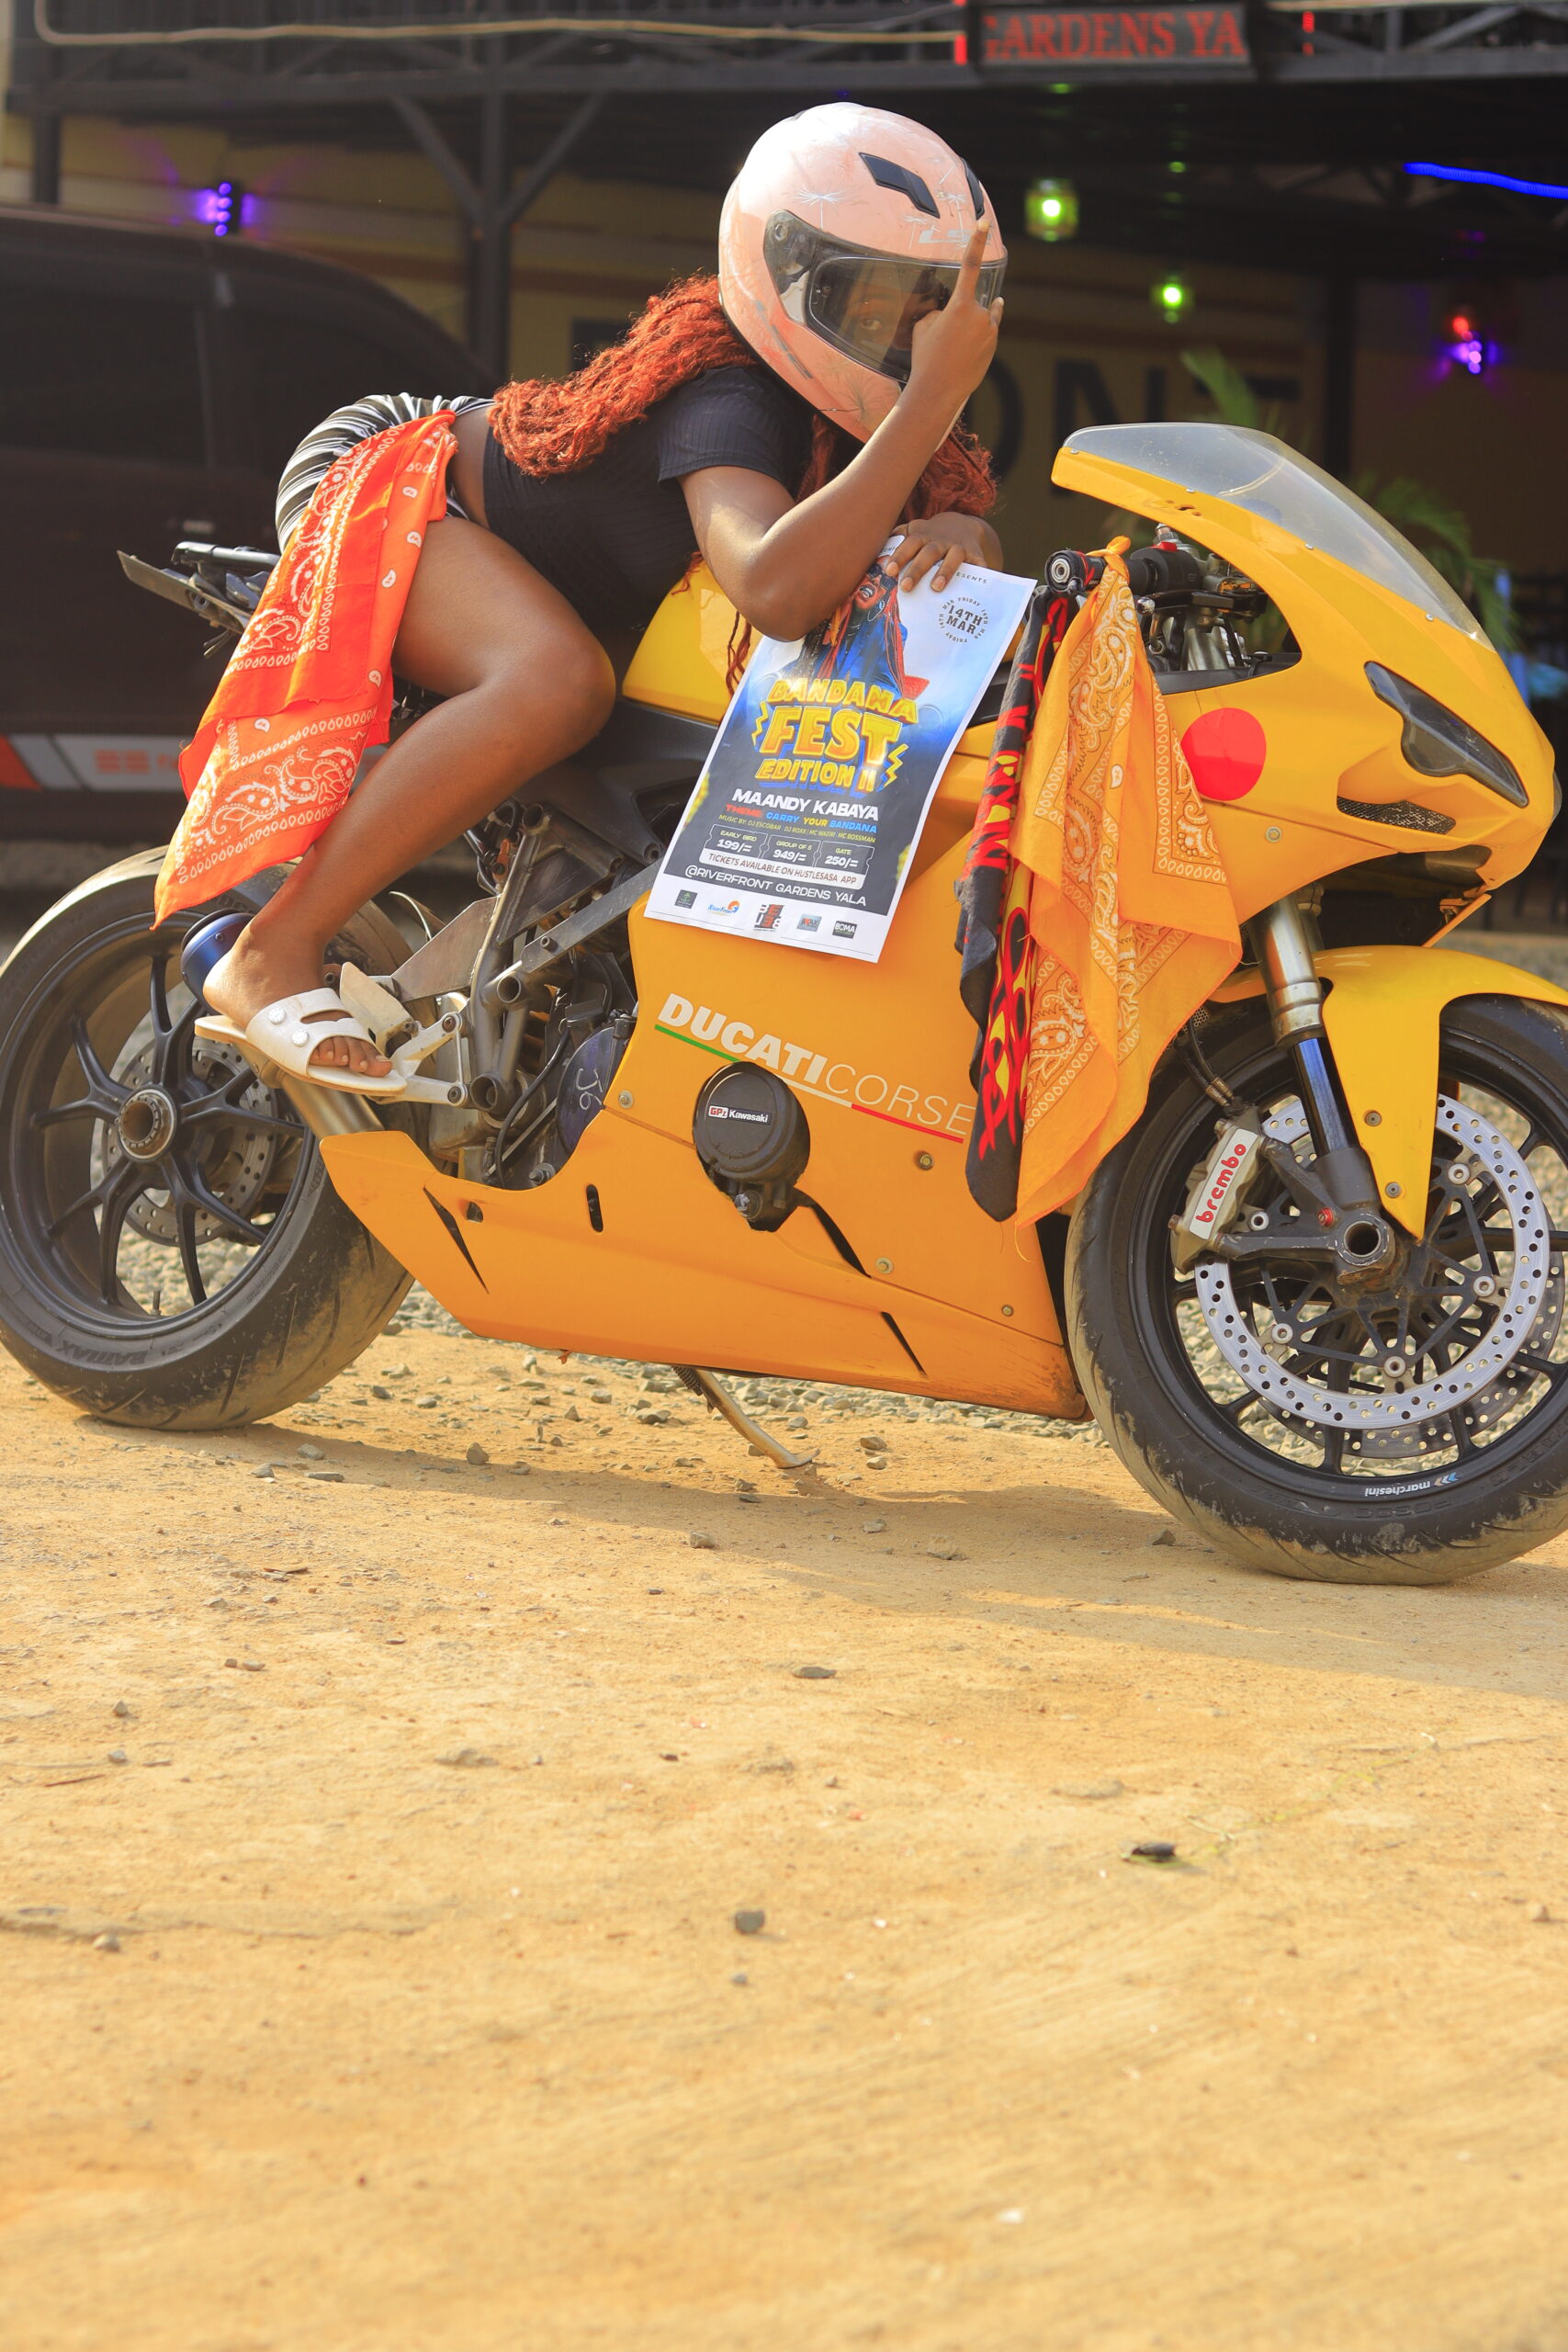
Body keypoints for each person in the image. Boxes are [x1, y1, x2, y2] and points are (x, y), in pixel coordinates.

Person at [200, 102, 1007, 1089]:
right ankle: (271, 951)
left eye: (929, 309)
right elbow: (776, 585)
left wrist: (961, 532)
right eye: (874, 303)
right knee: (557, 682)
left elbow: (894, 547)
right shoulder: (733, 392)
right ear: (789, 271)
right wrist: (931, 400)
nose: (907, 336)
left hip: (543, 560)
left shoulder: (853, 430)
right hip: (402, 480)